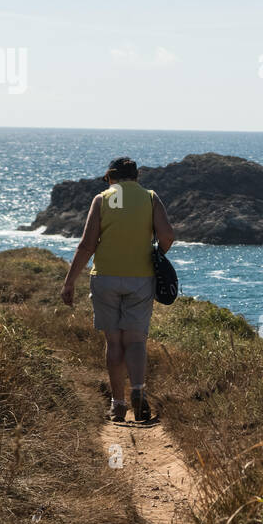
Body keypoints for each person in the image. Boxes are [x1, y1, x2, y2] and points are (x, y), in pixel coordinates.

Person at [61, 156, 174, 423]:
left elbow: (86, 245)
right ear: (136, 176)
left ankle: (118, 405)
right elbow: (167, 235)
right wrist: (157, 254)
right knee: (135, 341)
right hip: (141, 277)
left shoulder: (102, 199)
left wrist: (69, 281)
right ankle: (138, 392)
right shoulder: (150, 197)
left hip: (106, 278)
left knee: (114, 343)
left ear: (111, 177)